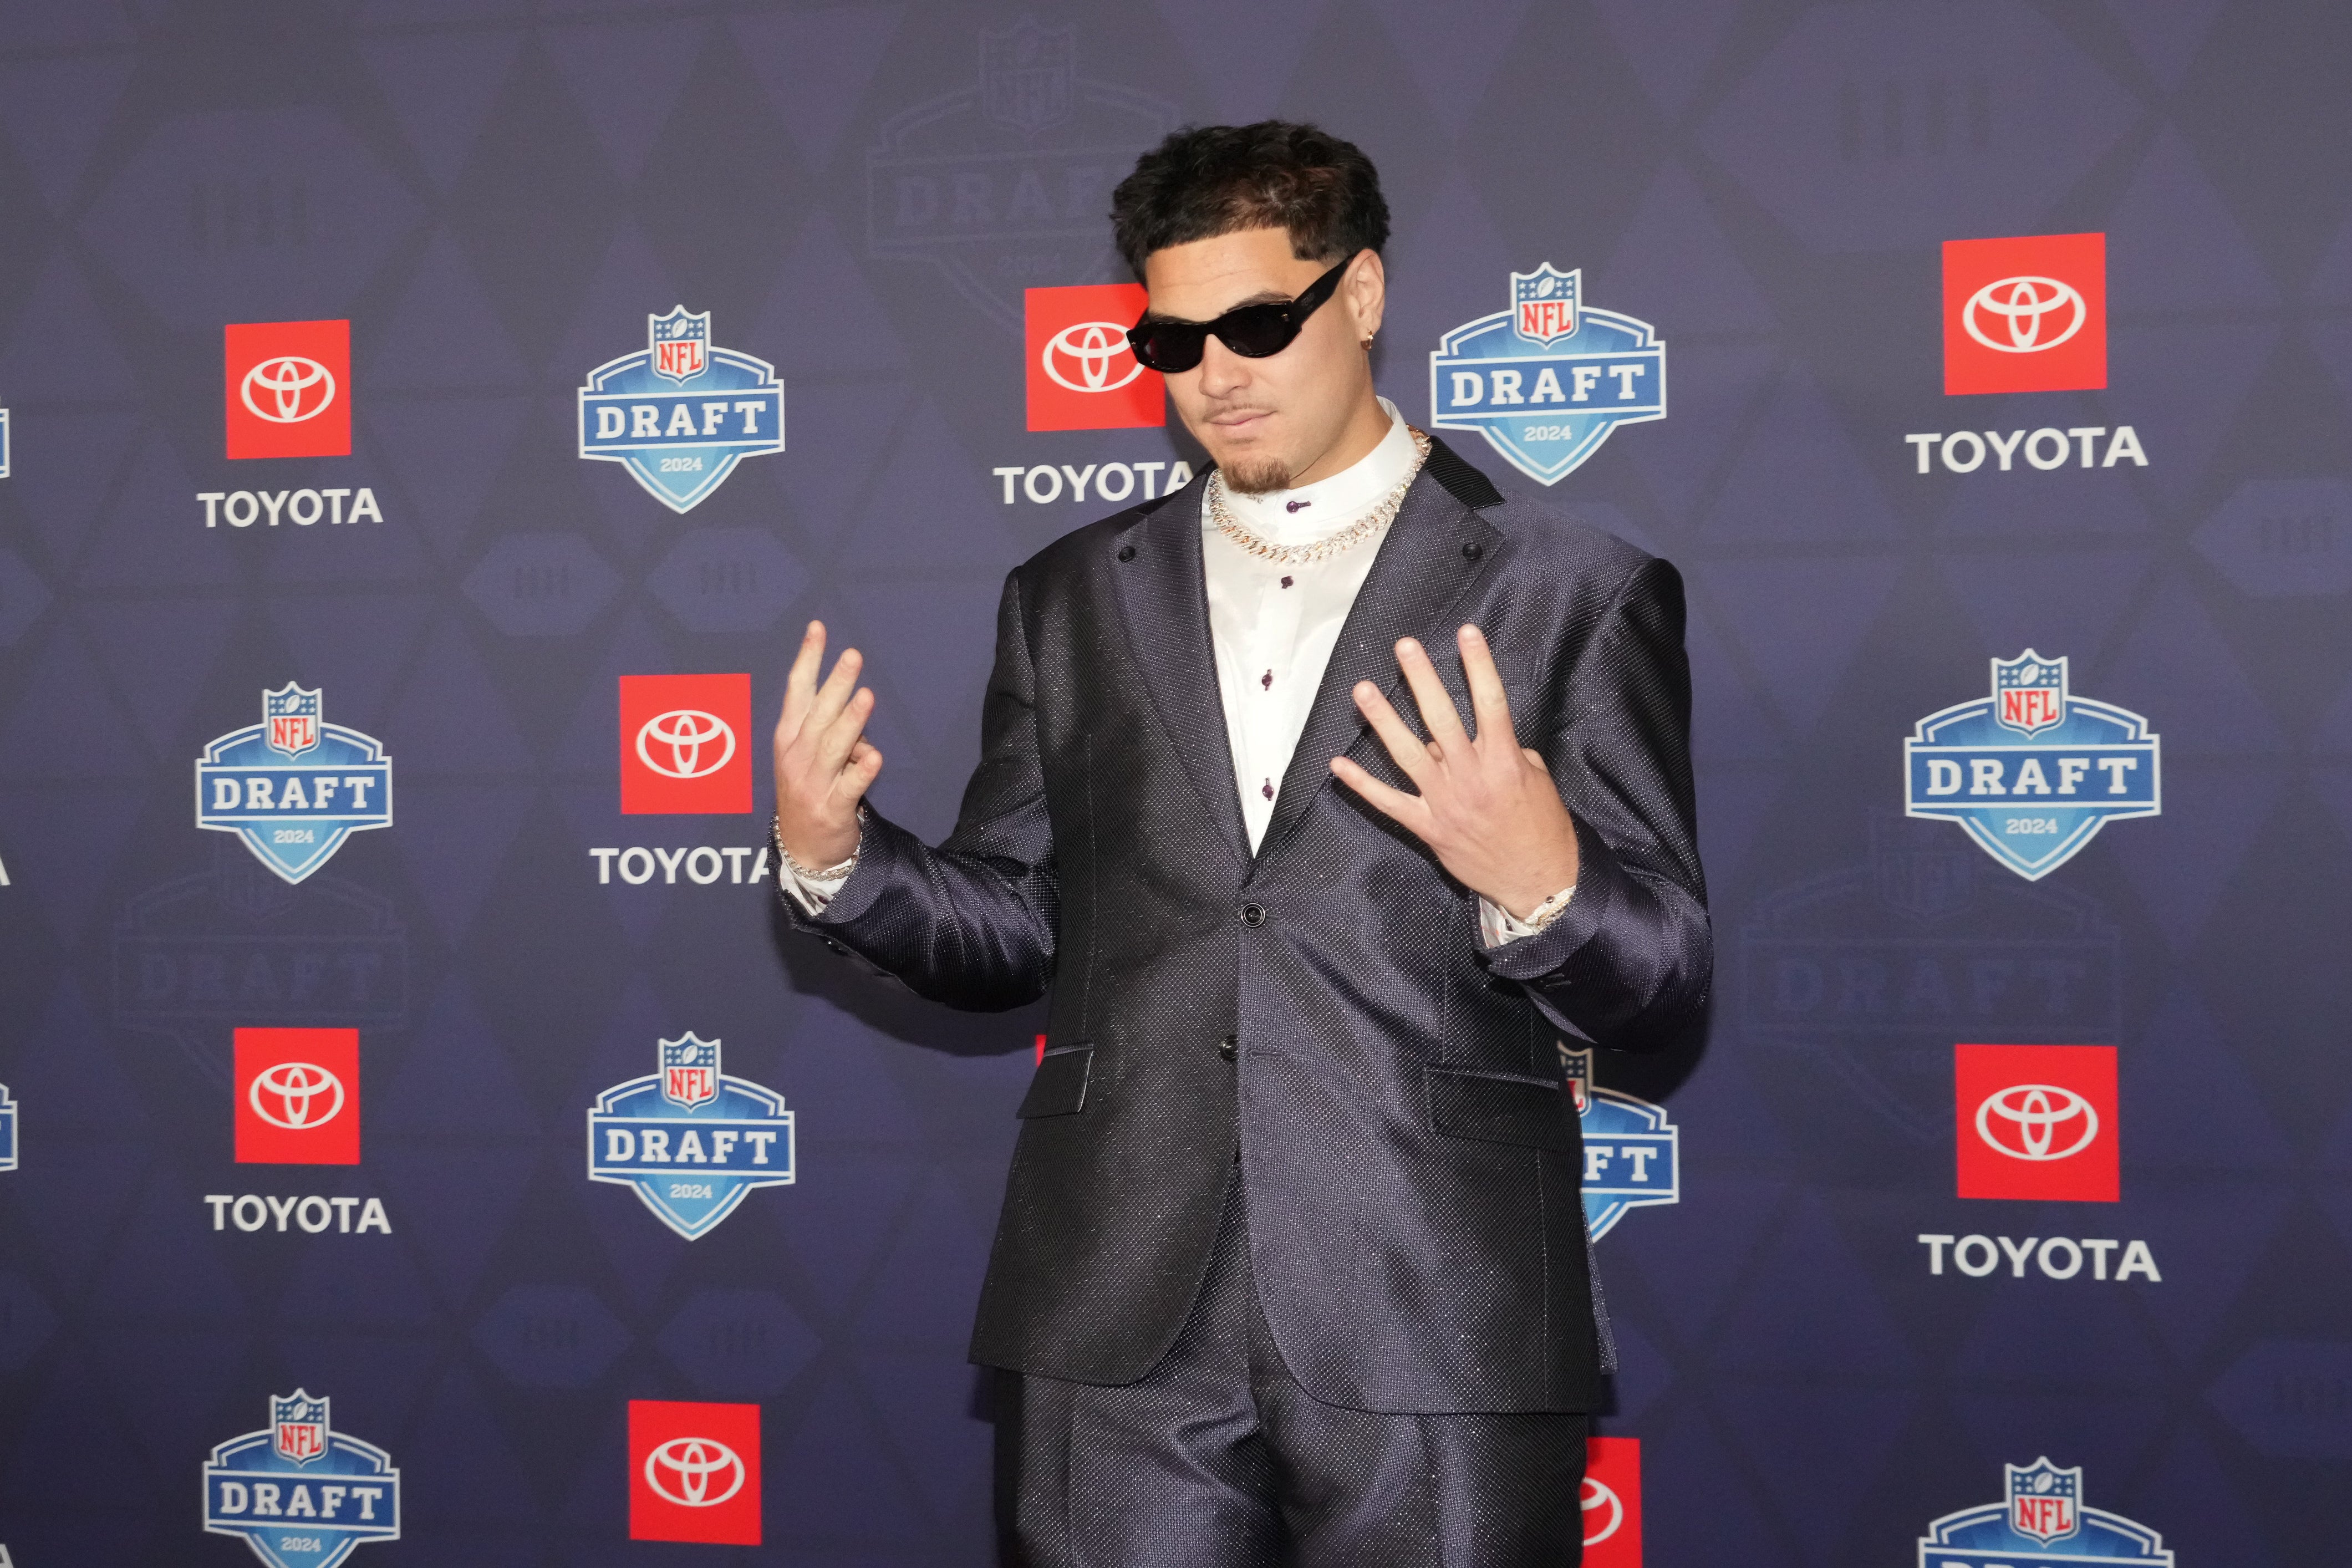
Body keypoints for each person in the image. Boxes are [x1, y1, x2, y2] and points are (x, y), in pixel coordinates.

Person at [770, 120, 1709, 1567]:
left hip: (1429, 1297)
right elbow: (1013, 927)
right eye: (1172, 338)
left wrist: (1540, 879)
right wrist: (841, 854)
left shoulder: (1569, 589)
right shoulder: (1071, 592)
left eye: (1259, 321)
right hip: (1114, 1301)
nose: (1215, 370)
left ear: (1364, 295)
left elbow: (1661, 986)